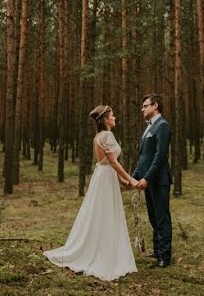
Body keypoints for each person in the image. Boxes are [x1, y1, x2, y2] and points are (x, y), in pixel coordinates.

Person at [44, 105, 138, 281]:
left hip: (103, 177)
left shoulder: (98, 137)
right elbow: (113, 162)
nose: (115, 118)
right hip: (105, 178)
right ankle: (104, 254)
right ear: (105, 120)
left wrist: (121, 180)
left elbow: (106, 163)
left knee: (102, 213)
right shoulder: (107, 135)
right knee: (106, 214)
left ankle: (102, 247)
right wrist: (131, 179)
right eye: (112, 115)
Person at [132, 93, 172, 268]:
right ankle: (157, 252)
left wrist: (147, 178)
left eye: (145, 106)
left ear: (155, 106)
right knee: (153, 218)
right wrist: (133, 177)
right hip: (148, 180)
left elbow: (160, 156)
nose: (143, 109)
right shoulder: (149, 127)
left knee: (162, 218)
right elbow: (144, 157)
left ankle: (164, 257)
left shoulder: (162, 126)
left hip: (159, 180)